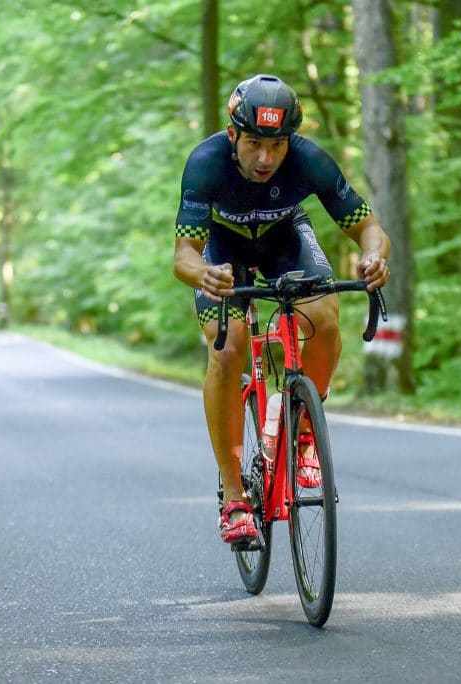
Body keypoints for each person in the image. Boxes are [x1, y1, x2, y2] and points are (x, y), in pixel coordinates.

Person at [172, 74, 392, 545]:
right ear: (233, 134)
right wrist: (203, 276)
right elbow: (183, 257)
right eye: (253, 143)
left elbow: (369, 228)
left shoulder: (310, 160)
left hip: (285, 239)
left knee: (326, 315)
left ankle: (305, 427)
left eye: (276, 145)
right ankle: (234, 498)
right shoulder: (206, 164)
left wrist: (374, 256)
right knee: (227, 351)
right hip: (222, 248)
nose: (265, 159)